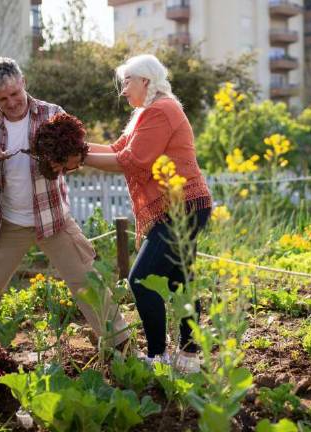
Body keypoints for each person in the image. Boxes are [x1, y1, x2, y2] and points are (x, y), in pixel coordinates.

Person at [58, 54, 212, 373]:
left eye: (127, 81)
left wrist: (79, 158)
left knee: (140, 280)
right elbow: (117, 151)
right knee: (182, 281)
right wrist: (75, 148)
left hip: (181, 207)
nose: (123, 89)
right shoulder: (147, 112)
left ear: (145, 80)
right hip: (183, 205)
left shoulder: (162, 110)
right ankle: (190, 357)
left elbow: (133, 161)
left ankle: (159, 356)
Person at [0, 56, 128, 347]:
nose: (11, 102)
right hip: (7, 223)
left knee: (88, 284)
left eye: (14, 93)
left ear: (23, 82)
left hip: (54, 219)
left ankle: (120, 347)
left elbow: (76, 158)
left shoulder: (52, 114)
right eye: (2, 99)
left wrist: (61, 161)